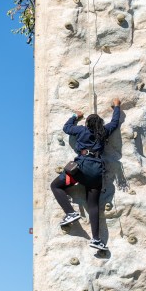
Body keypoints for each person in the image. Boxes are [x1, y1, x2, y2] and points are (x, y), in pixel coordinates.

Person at [51, 98, 121, 251]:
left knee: (55, 185)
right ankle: (96, 239)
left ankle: (70, 213)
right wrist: (117, 106)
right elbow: (115, 123)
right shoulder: (104, 132)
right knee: (93, 206)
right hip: (96, 172)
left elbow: (67, 128)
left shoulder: (82, 130)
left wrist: (75, 116)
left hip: (80, 170)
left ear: (87, 124)